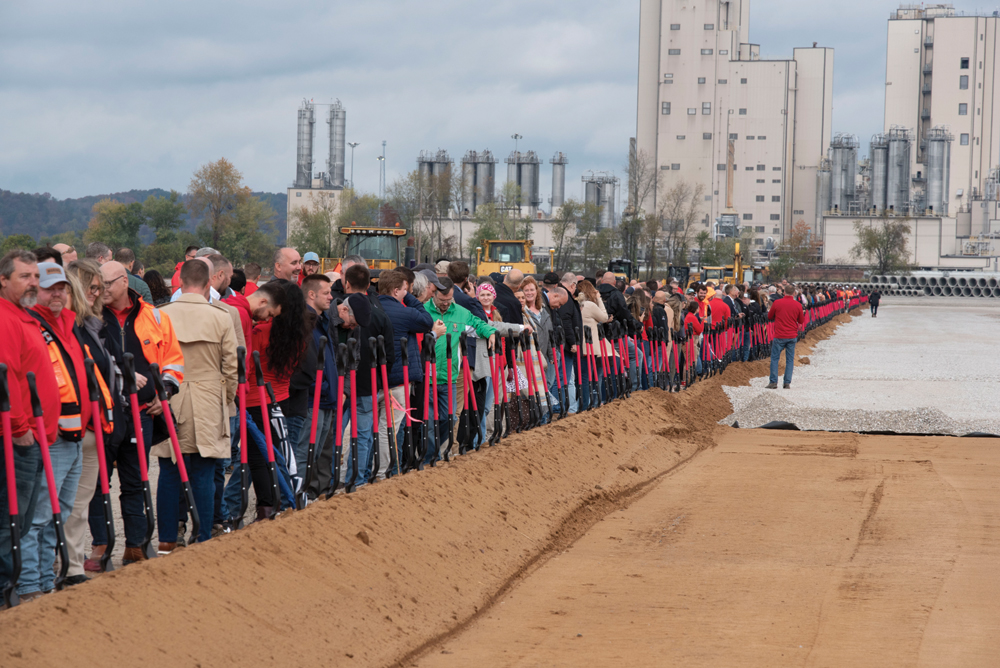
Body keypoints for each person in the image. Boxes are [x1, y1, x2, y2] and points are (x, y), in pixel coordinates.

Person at [97, 261, 184, 565]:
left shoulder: (155, 316)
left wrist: (165, 394)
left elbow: (174, 361)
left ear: (124, 281)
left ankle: (135, 546)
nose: (102, 290)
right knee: (99, 481)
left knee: (136, 479)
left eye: (107, 284)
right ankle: (100, 547)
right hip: (105, 412)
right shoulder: (90, 317)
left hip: (143, 411)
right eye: (98, 285)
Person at [153, 260, 237, 551]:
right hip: (209, 398)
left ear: (179, 281)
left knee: (169, 470)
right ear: (207, 284)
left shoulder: (159, 315)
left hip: (169, 396)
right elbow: (231, 368)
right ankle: (203, 538)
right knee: (203, 472)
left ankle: (167, 539)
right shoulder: (222, 316)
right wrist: (224, 400)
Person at [0, 256, 60, 602]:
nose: (33, 282)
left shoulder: (26, 318)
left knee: (20, 521)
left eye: (36, 276)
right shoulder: (7, 318)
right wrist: (20, 427)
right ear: (4, 280)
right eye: (24, 276)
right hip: (18, 438)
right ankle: (6, 593)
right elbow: (5, 375)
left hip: (35, 436)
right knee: (11, 521)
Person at [62, 259, 119, 586]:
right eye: (92, 287)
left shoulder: (95, 326)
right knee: (66, 502)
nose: (99, 293)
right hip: (74, 426)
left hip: (96, 425)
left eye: (101, 287)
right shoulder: (72, 328)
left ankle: (71, 565)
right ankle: (64, 566)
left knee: (81, 502)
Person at [243, 279, 308, 518]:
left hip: (255, 399)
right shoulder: (298, 335)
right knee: (281, 452)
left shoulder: (260, 331)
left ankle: (266, 506)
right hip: (281, 398)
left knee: (258, 457)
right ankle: (282, 499)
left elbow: (248, 366)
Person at [333, 264, 394, 484]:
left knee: (334, 434)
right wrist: (379, 379)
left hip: (338, 385)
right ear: (369, 285)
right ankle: (356, 480)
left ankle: (329, 479)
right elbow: (389, 355)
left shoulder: (334, 310)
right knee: (363, 436)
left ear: (346, 283)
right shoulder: (379, 315)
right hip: (367, 384)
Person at [423, 278, 495, 463]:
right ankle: (432, 456)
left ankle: (437, 450)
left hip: (450, 377)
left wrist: (490, 332)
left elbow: (478, 324)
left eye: (449, 299)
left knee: (450, 418)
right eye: (442, 300)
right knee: (430, 422)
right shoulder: (423, 311)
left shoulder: (461, 313)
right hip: (428, 376)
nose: (446, 303)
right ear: (434, 294)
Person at [376, 270, 439, 476]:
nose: (407, 293)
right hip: (398, 380)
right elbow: (426, 319)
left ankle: (360, 472)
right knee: (391, 429)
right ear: (396, 290)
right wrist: (410, 295)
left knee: (368, 428)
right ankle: (386, 471)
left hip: (373, 378)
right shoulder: (405, 312)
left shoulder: (371, 307)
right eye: (405, 289)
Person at [766, 284, 806, 389]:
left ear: (784, 292)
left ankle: (773, 381)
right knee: (789, 359)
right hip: (792, 335)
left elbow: (770, 316)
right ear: (794, 293)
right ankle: (787, 382)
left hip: (779, 334)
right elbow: (801, 320)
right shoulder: (797, 305)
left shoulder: (777, 303)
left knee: (775, 358)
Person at [577, 280, 609, 400]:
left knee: (581, 376)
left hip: (581, 345)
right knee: (587, 376)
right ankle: (587, 402)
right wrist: (599, 299)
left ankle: (584, 402)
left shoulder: (579, 305)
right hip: (589, 347)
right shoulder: (590, 305)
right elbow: (604, 317)